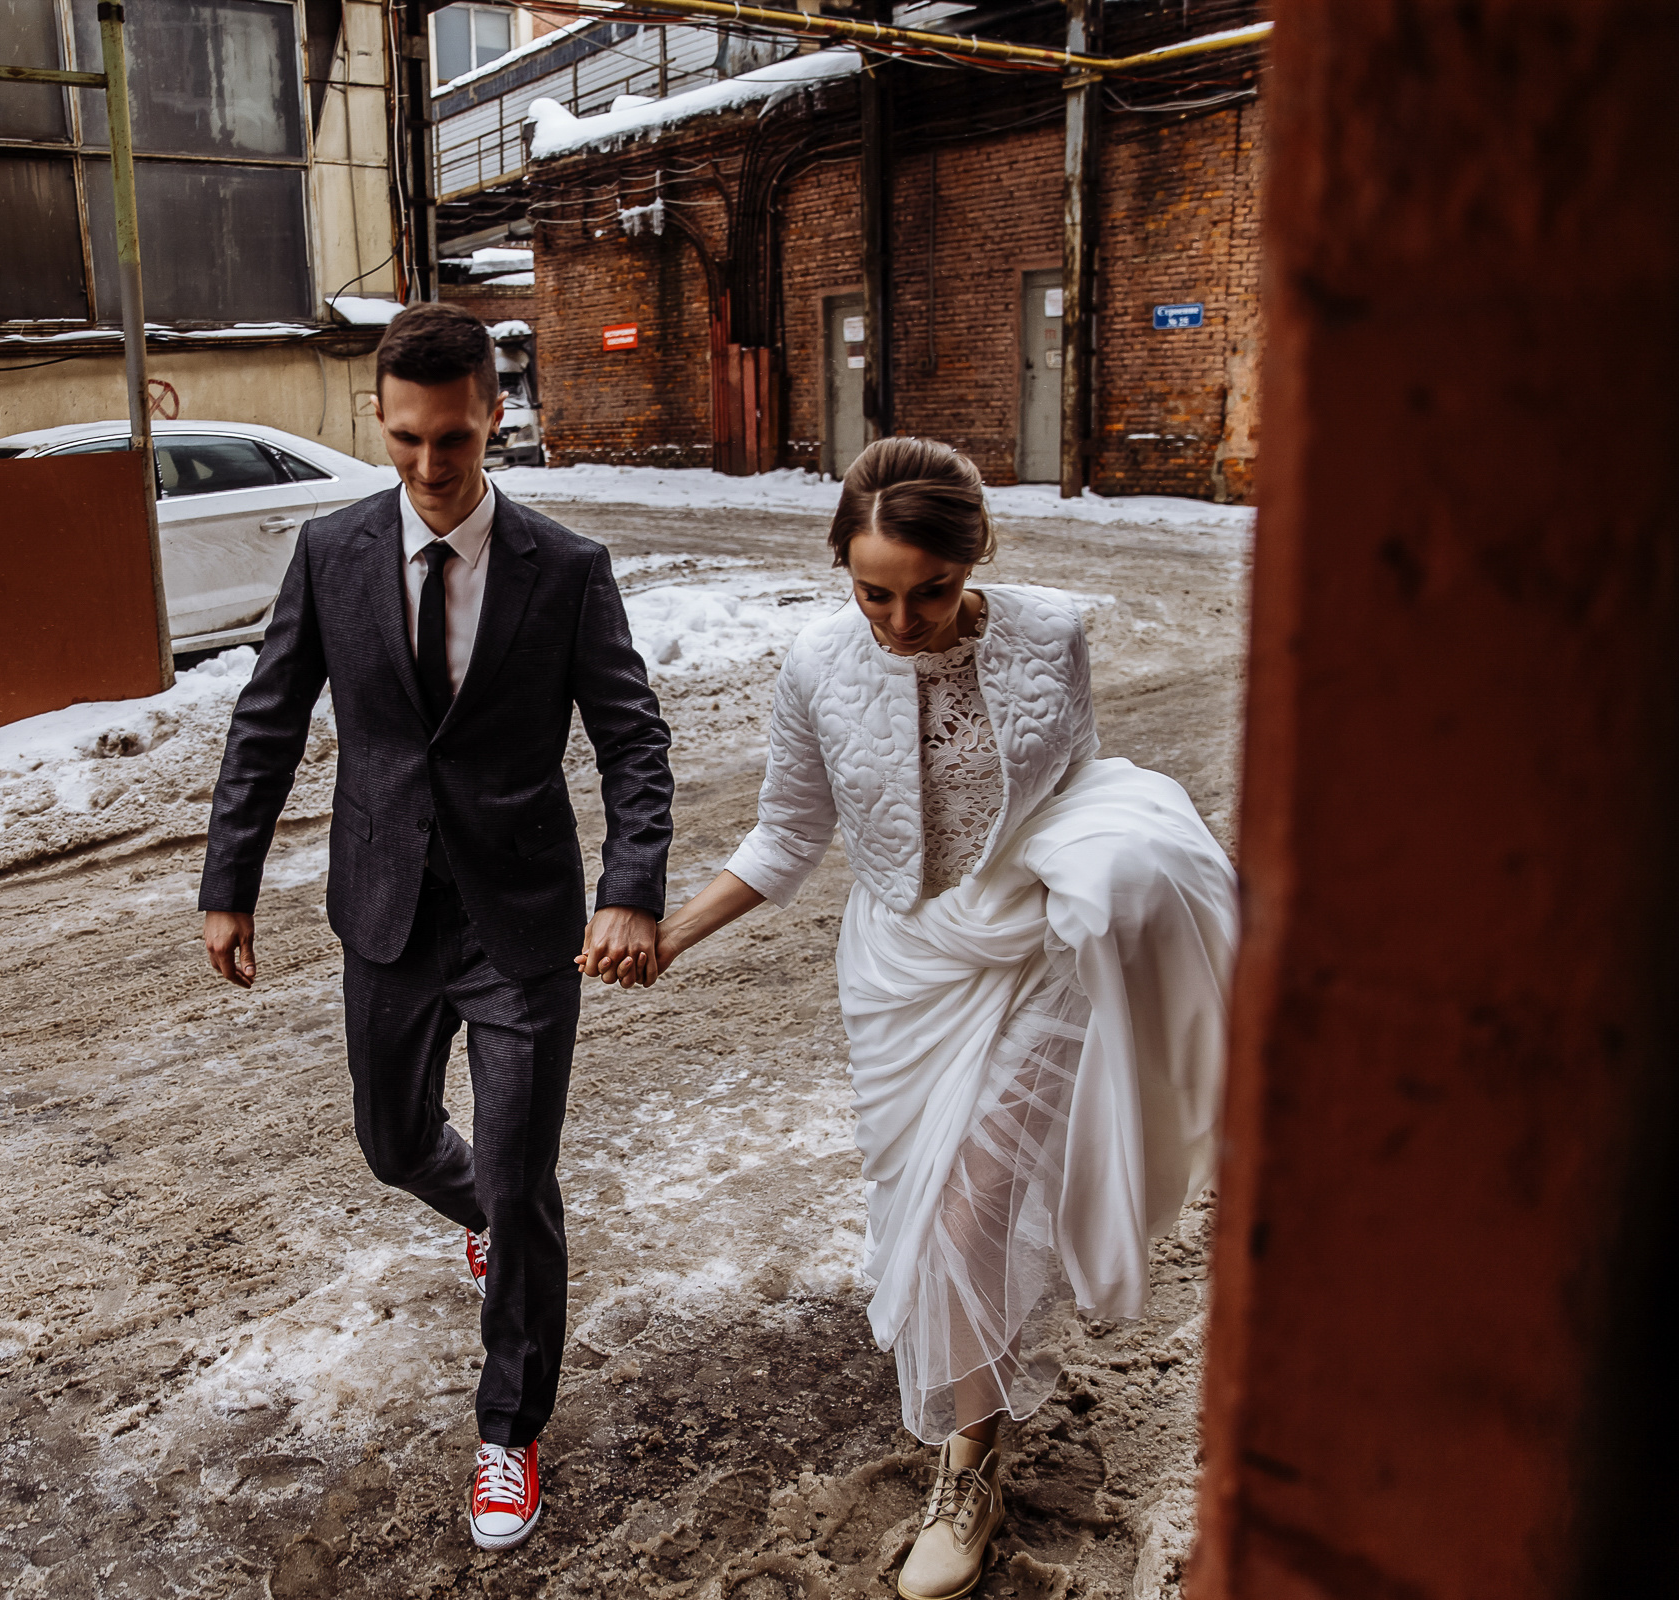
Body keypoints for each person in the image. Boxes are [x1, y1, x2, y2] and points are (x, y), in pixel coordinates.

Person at [648, 440, 1236, 1600]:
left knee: (967, 1215)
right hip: (901, 977)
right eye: (874, 591)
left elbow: (1074, 786)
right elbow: (786, 836)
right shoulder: (817, 664)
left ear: (976, 562)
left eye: (930, 591)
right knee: (924, 1215)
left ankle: (966, 1472)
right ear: (842, 568)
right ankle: (983, 1401)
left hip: (1032, 957)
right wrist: (671, 933)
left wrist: (1117, 872)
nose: (901, 620)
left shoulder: (1051, 637)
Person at [197, 301, 675, 1553]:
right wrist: (225, 878)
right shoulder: (331, 552)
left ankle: (509, 1431)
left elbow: (632, 738)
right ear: (379, 419)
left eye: (452, 438)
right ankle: (480, 1222)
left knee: (523, 1183)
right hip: (387, 910)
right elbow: (269, 719)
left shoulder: (563, 570)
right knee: (392, 1140)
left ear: (492, 415)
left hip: (524, 923)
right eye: (405, 438)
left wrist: (633, 883)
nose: (427, 465)